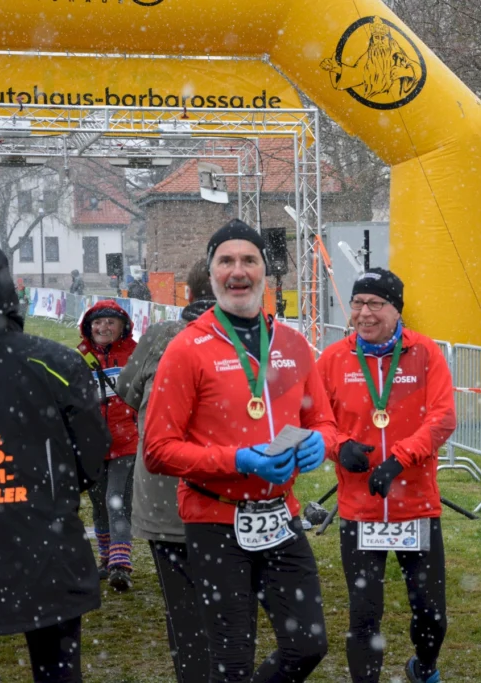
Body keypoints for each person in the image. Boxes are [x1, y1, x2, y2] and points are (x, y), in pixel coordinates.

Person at [144, 219, 339, 683]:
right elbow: (157, 449)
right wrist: (238, 460)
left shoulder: (292, 344)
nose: (238, 270)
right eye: (225, 261)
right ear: (211, 274)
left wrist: (322, 443)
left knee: (308, 644)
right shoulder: (187, 348)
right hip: (215, 519)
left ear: (264, 272)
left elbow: (325, 422)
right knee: (232, 659)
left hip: (279, 516)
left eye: (248, 260)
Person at [0, 237, 110, 683]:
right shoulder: (53, 362)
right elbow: (92, 458)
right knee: (57, 672)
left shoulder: (53, 363)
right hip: (44, 554)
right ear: (9, 289)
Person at [317, 268, 456, 683]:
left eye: (376, 304)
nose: (365, 313)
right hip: (359, 510)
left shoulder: (425, 353)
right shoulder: (334, 358)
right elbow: (316, 420)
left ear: (397, 310)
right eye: (358, 303)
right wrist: (339, 446)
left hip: (415, 506)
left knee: (432, 616)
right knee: (363, 616)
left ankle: (424, 666)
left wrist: (399, 458)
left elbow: (443, 417)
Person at [115, 259, 217, 683]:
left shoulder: (161, 337)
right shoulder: (252, 338)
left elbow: (125, 389)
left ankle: (195, 671)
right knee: (224, 604)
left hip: (167, 493)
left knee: (184, 607)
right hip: (223, 494)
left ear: (187, 294)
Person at [77, 298, 139, 591]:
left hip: (127, 444)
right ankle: (106, 560)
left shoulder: (136, 355)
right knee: (99, 506)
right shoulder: (78, 358)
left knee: (117, 503)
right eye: (97, 323)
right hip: (93, 446)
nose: (103, 327)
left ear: (122, 327)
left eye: (110, 322)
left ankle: (120, 565)